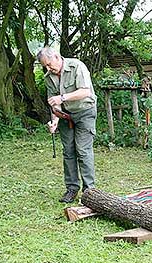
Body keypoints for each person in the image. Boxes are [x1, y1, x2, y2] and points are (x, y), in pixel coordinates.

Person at [37, 47, 97, 203]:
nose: (49, 68)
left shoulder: (77, 66)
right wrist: (54, 121)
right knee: (69, 152)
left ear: (57, 57)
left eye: (49, 64)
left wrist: (62, 98)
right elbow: (53, 104)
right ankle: (71, 189)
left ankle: (89, 192)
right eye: (46, 66)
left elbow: (85, 92)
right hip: (65, 116)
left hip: (85, 112)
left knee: (83, 150)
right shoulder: (48, 77)